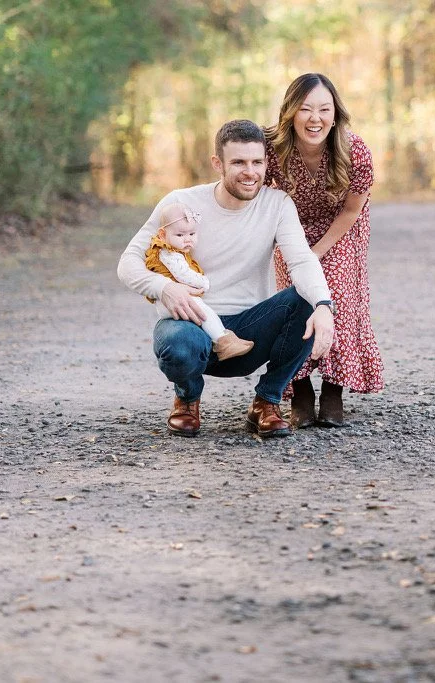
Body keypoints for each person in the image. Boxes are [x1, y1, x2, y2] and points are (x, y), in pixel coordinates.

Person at [118, 119, 335, 439]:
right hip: (192, 325)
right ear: (217, 164)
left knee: (306, 301)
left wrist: (323, 305)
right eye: (238, 162)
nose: (250, 172)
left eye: (257, 162)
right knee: (177, 343)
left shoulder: (277, 204)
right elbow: (128, 263)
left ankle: (267, 401)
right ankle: (187, 398)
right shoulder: (180, 203)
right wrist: (164, 287)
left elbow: (302, 261)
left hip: (250, 335)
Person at [264, 73, 384, 429]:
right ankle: (299, 389)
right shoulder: (272, 148)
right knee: (296, 297)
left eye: (323, 109)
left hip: (341, 226)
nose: (314, 118)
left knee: (336, 293)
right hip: (291, 227)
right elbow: (256, 191)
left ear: (335, 115)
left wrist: (317, 252)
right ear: (290, 113)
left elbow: (351, 210)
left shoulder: (355, 150)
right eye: (305, 109)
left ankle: (334, 390)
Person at [144, 202, 254, 361]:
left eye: (191, 234)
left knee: (204, 310)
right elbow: (183, 274)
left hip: (177, 299)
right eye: (180, 235)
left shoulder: (176, 251)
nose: (187, 240)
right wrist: (203, 282)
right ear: (162, 235)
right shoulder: (169, 253)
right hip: (171, 302)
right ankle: (222, 342)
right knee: (203, 312)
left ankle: (225, 337)